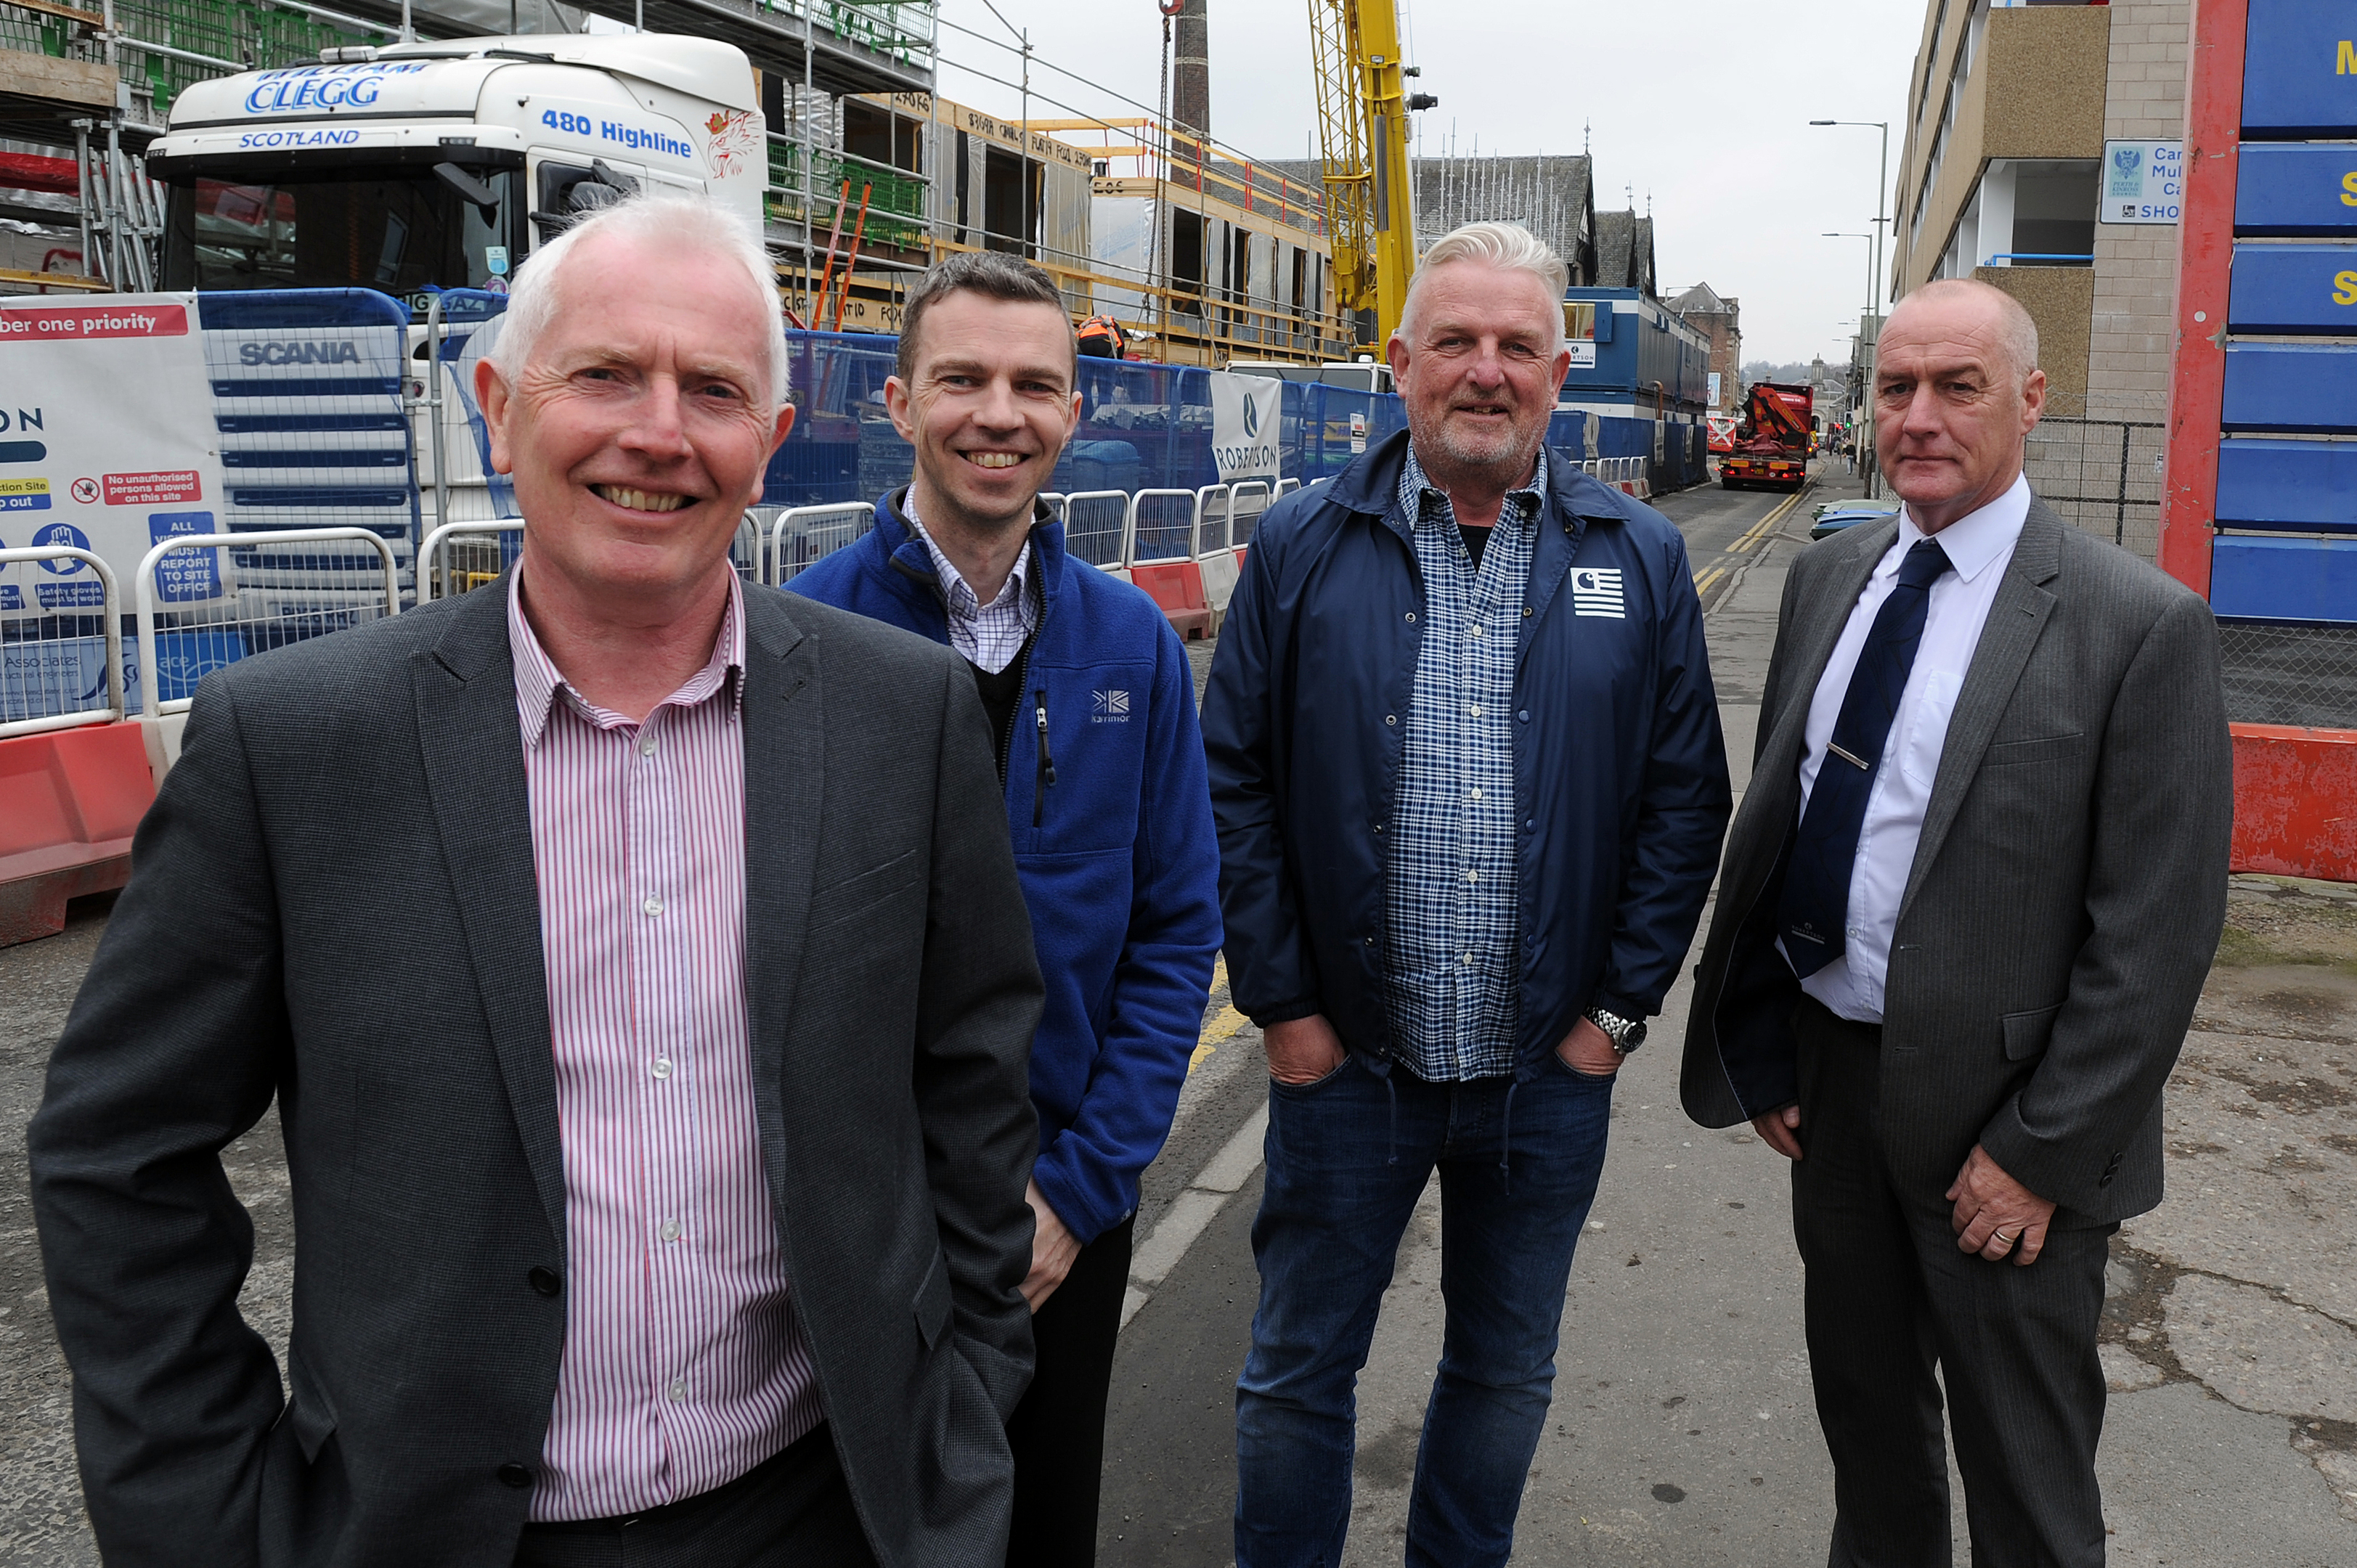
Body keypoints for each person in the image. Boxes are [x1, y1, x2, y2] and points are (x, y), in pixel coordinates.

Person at [29, 192, 1045, 1568]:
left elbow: (967, 1070)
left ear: (771, 443)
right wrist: (207, 1514)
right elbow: (116, 1153)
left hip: (838, 1505)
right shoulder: (298, 743)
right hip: (439, 1532)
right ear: (499, 406)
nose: (658, 433)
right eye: (607, 374)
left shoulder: (901, 715)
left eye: (714, 390)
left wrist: (968, 1390)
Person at [1200, 221, 1732, 1568]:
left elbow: (1683, 805)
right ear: (1399, 364)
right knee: (1295, 1375)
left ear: (1560, 371)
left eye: (1514, 347)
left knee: (1503, 1374)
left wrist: (1611, 1018)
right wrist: (1285, 1011)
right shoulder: (1302, 543)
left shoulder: (1639, 554)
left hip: (1544, 1073)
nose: (1484, 372)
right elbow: (1233, 787)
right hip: (1347, 1065)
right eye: (1454, 342)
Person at [1680, 277, 2233, 1567]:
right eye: (1894, 388)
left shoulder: (2136, 626)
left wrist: (2039, 1151)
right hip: (1832, 1095)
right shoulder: (1831, 580)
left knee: (2025, 1484)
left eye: (1957, 388)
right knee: (1869, 1446)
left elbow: (2153, 937)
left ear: (2031, 401)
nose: (1916, 418)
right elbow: (1787, 835)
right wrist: (1769, 1045)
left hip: (2008, 1129)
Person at [789, 250, 1221, 1567]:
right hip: (863, 1227)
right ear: (900, 402)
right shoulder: (802, 635)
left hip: (1063, 1218)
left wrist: (1081, 1193)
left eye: (1036, 384)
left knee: (1041, 1533)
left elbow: (1173, 934)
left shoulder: (1130, 643)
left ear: (1073, 416)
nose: (999, 412)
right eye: (963, 378)